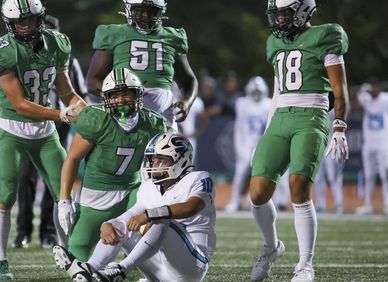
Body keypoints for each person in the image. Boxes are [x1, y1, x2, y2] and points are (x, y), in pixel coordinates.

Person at [0, 0, 86, 279]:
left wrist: (86, 112)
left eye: (29, 20)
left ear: (40, 18)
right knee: (6, 194)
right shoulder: (1, 50)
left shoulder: (58, 42)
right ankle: (0, 260)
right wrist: (62, 115)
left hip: (44, 132)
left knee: (66, 195)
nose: (25, 26)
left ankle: (69, 254)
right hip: (12, 129)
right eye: (19, 22)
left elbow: (67, 91)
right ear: (9, 23)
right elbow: (20, 104)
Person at [249, 1, 349, 281]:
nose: (279, 19)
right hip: (280, 118)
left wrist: (339, 125)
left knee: (298, 187)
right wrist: (266, 133)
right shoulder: (274, 43)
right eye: (277, 13)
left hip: (312, 116)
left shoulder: (325, 36)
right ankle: (271, 247)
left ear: (303, 11)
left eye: (285, 13)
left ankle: (305, 264)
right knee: (257, 193)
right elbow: (278, 91)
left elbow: (340, 90)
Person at [53, 132, 216, 282]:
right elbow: (130, 216)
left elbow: (192, 207)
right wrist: (109, 224)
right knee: (118, 227)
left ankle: (121, 269)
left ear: (181, 161)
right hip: (159, 268)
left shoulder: (199, 178)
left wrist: (149, 214)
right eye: (153, 159)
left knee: (161, 218)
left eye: (162, 159)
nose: (155, 163)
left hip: (192, 267)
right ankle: (88, 268)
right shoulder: (149, 186)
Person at [56, 67, 169, 262]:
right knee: (78, 249)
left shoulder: (153, 123)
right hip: (95, 194)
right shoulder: (96, 119)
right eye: (115, 96)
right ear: (107, 98)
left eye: (127, 94)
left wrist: (158, 197)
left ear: (138, 95)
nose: (121, 100)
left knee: (153, 227)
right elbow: (72, 158)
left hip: (132, 192)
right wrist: (64, 199)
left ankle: (139, 263)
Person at [11, 14, 89, 250]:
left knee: (53, 180)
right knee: (25, 178)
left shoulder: (66, 58)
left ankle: (48, 233)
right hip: (30, 124)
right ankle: (23, 232)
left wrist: (83, 115)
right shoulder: (22, 56)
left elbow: (80, 94)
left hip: (59, 125)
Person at [86, 0, 198, 128]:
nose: (145, 15)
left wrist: (186, 103)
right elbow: (92, 81)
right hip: (123, 117)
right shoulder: (114, 34)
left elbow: (189, 80)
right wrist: (118, 97)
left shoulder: (173, 38)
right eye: (140, 10)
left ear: (160, 12)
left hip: (162, 119)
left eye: (152, 11)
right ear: (129, 9)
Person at [225, 76, 290, 212]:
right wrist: (239, 147)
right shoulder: (242, 103)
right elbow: (239, 128)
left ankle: (282, 201)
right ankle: (235, 201)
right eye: (253, 91)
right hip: (247, 143)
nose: (256, 94)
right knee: (241, 171)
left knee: (278, 170)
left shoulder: (269, 103)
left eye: (258, 91)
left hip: (264, 142)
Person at [356, 82, 388, 215]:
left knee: (385, 174)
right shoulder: (365, 98)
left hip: (383, 143)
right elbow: (357, 102)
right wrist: (364, 91)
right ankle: (368, 204)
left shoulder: (385, 99)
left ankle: (387, 204)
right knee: (368, 175)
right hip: (368, 143)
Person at [314, 111, 345, 214]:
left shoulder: (335, 105)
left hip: (332, 144)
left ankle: (338, 203)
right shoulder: (315, 102)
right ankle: (320, 204)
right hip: (318, 144)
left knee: (334, 177)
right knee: (318, 177)